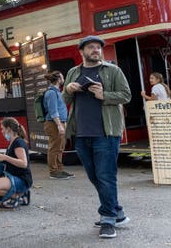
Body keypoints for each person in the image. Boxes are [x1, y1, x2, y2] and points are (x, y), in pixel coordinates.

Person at [62, 35, 132, 239]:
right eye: (91, 47)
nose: (95, 50)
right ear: (81, 52)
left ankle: (108, 219)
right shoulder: (73, 72)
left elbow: (126, 95)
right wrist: (68, 88)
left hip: (106, 133)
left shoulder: (113, 71)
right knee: (95, 176)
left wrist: (105, 95)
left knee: (105, 176)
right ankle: (117, 211)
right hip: (81, 133)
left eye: (98, 47)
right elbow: (65, 98)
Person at [0, 117, 33, 208]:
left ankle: (18, 196)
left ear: (8, 129)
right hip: (13, 177)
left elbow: (24, 163)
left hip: (22, 179)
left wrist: (5, 157)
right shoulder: (13, 142)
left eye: (2, 128)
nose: (1, 131)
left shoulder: (18, 142)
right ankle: (17, 195)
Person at [43, 71, 73, 180]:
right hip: (54, 124)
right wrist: (59, 125)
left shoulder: (56, 92)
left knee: (60, 147)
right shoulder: (51, 93)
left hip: (59, 123)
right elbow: (53, 111)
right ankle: (53, 172)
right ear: (59, 79)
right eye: (62, 76)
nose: (63, 78)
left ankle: (59, 169)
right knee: (54, 147)